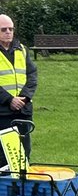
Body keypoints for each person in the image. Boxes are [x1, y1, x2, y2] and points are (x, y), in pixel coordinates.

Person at [0, 13, 37, 158]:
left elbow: (32, 75)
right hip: (2, 112)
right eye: (4, 29)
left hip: (23, 111)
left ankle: (21, 181)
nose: (8, 32)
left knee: (24, 154)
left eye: (11, 29)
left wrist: (24, 97)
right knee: (4, 156)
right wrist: (9, 100)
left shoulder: (22, 50)